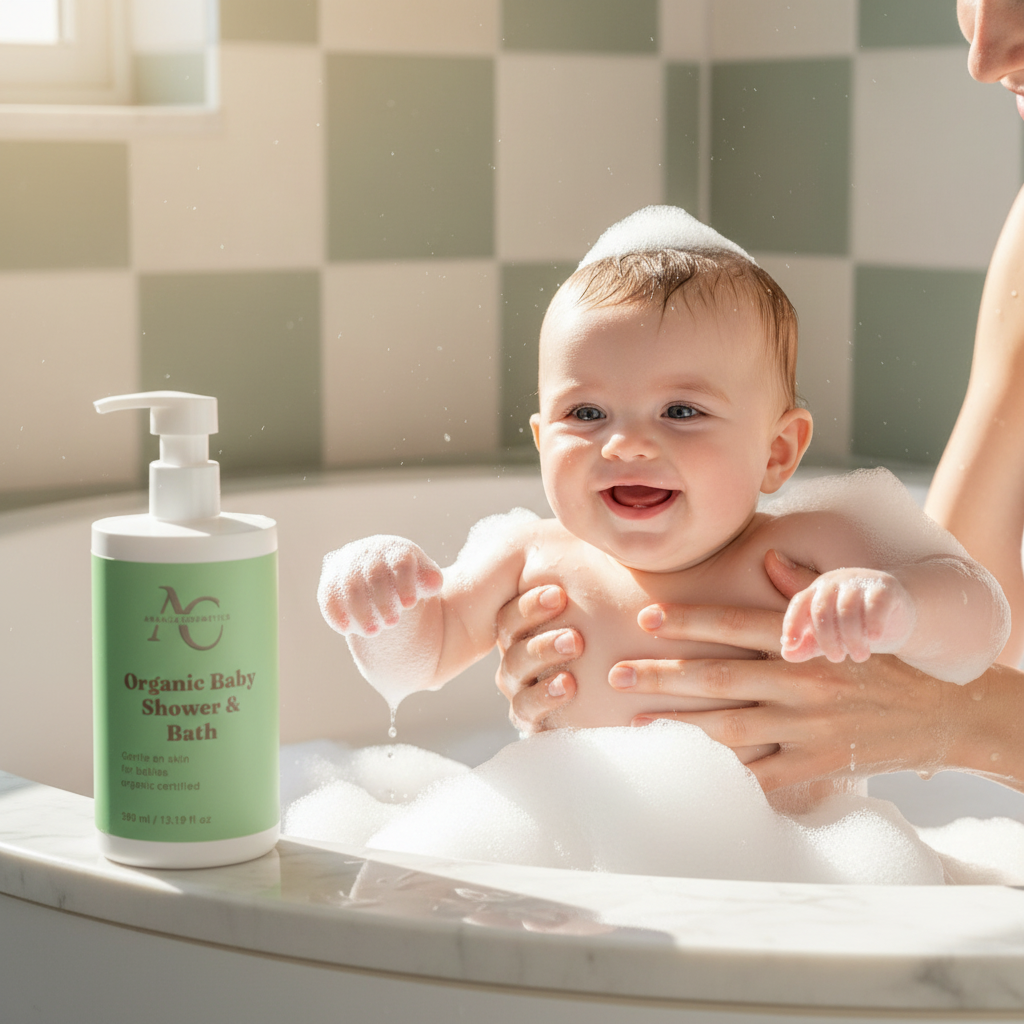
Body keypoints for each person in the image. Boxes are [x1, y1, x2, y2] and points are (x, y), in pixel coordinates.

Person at [494, 0, 1024, 796]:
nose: (986, 55)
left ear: (781, 449)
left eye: (682, 411)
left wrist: (951, 720)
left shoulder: (816, 537)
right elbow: (981, 629)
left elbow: (955, 680)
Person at [319, 208, 1007, 788]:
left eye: (681, 411)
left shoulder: (806, 552)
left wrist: (900, 607)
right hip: (575, 865)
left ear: (777, 452)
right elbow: (422, 656)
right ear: (541, 439)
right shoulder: (530, 558)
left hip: (776, 876)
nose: (625, 445)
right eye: (586, 414)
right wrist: (382, 602)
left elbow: (981, 619)